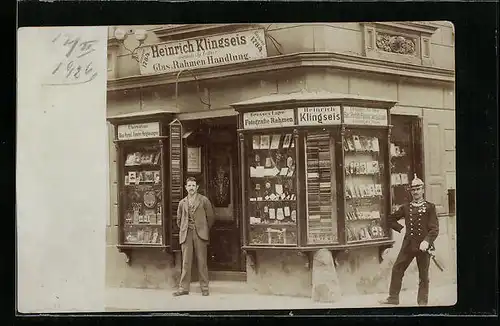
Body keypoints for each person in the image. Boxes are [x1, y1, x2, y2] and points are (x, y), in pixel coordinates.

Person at [380, 174, 439, 306]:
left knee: (423, 276)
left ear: (423, 190)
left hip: (424, 246)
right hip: (408, 245)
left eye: (418, 189)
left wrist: (427, 241)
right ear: (411, 192)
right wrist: (401, 229)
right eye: (413, 190)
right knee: (397, 269)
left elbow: (434, 229)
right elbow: (390, 219)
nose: (416, 192)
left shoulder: (430, 207)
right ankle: (393, 298)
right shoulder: (406, 207)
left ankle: (422, 302)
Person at [173, 177, 215, 297]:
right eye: (189, 185)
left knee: (202, 262)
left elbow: (211, 217)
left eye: (193, 185)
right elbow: (179, 220)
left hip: (200, 234)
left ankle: (205, 288)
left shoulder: (204, 200)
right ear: (186, 187)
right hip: (186, 234)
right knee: (186, 262)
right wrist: (185, 228)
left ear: (197, 187)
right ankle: (183, 288)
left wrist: (203, 228)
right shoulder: (182, 203)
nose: (191, 188)